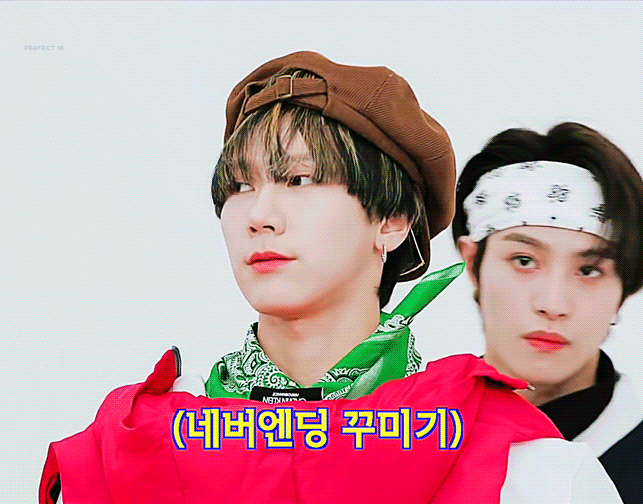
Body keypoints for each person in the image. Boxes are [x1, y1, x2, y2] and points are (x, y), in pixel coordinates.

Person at [40, 53, 622, 503]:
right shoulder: (134, 442)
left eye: (298, 180)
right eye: (239, 186)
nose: (259, 214)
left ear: (392, 219)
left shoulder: (526, 468)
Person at [453, 122, 643, 503]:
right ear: (473, 264)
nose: (553, 305)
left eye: (589, 270)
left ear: (623, 288)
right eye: (524, 260)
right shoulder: (407, 433)